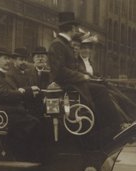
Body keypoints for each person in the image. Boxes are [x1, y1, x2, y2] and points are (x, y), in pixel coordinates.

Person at [48, 12, 125, 143]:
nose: (76, 31)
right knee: (101, 90)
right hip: (67, 84)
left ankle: (118, 121)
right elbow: (59, 72)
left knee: (103, 85)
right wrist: (82, 76)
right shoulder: (57, 44)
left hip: (73, 82)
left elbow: (74, 67)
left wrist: (91, 77)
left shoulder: (65, 44)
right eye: (76, 29)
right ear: (72, 28)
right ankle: (115, 125)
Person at [0, 47, 41, 161]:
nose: (8, 61)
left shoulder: (4, 75)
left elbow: (12, 92)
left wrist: (26, 90)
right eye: (5, 58)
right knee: (34, 123)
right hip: (1, 114)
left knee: (36, 120)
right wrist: (24, 91)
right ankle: (27, 159)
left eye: (9, 59)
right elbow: (4, 95)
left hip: (9, 112)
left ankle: (25, 158)